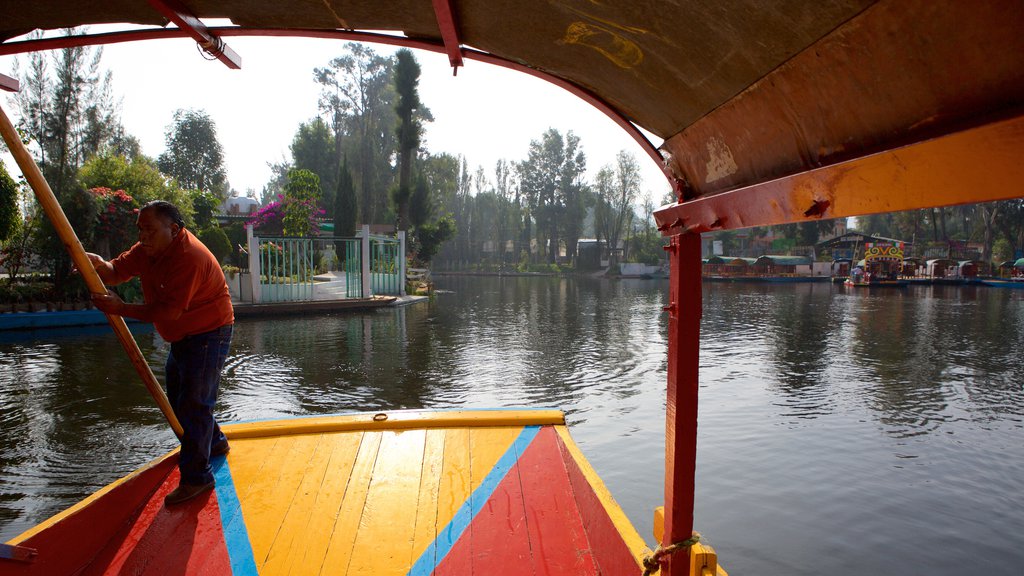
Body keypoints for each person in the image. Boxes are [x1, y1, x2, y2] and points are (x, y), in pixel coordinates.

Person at [87, 200, 234, 506]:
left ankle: (198, 478)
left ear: (174, 229)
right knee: (181, 396)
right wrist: (100, 266)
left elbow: (169, 312)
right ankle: (215, 443)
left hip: (209, 331)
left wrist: (122, 308)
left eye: (150, 230)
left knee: (195, 402)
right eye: (140, 229)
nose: (143, 237)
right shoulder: (148, 249)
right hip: (183, 334)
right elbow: (117, 271)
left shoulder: (189, 257)